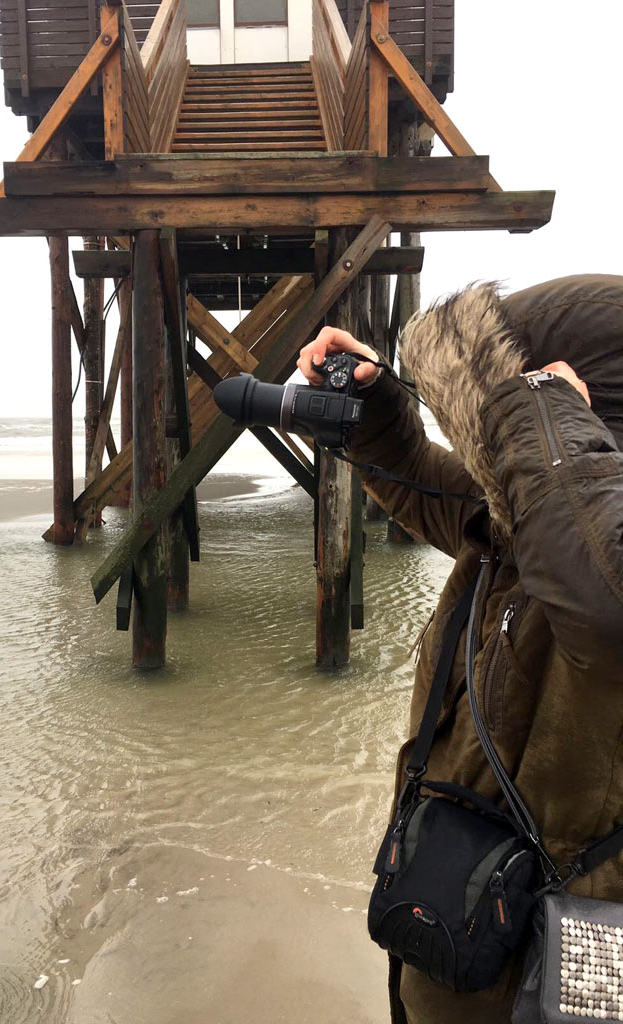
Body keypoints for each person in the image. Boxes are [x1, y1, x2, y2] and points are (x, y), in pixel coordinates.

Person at [297, 274, 623, 1024]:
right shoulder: (518, 533)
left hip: (559, 979)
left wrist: (540, 414)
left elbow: (606, 607)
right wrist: (374, 410)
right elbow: (418, 482)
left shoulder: (591, 571)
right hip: (459, 940)